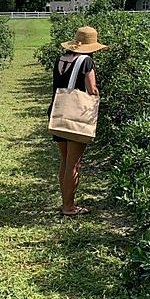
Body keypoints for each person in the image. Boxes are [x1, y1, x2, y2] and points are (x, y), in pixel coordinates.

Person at [50, 26, 106, 216]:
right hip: (75, 116)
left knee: (65, 161)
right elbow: (91, 89)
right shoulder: (86, 61)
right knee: (74, 163)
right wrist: (98, 94)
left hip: (57, 113)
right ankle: (69, 207)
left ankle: (65, 202)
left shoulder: (61, 59)